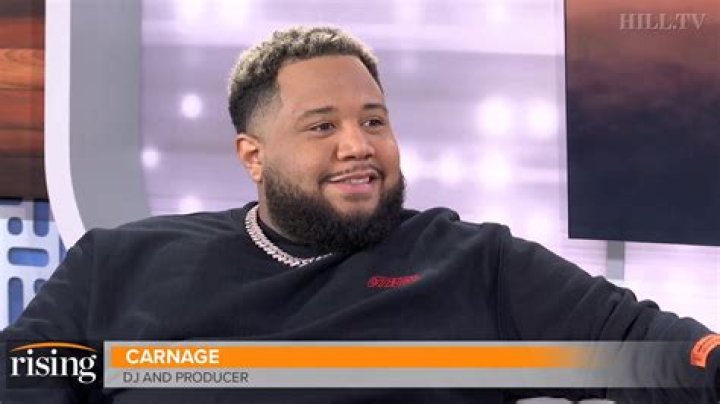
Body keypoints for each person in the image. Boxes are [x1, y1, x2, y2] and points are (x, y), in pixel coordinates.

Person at [1, 26, 718, 404]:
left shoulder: (476, 263)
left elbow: (651, 351)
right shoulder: (120, 261)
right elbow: (27, 372)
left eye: (374, 120)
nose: (359, 146)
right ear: (253, 157)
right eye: (323, 127)